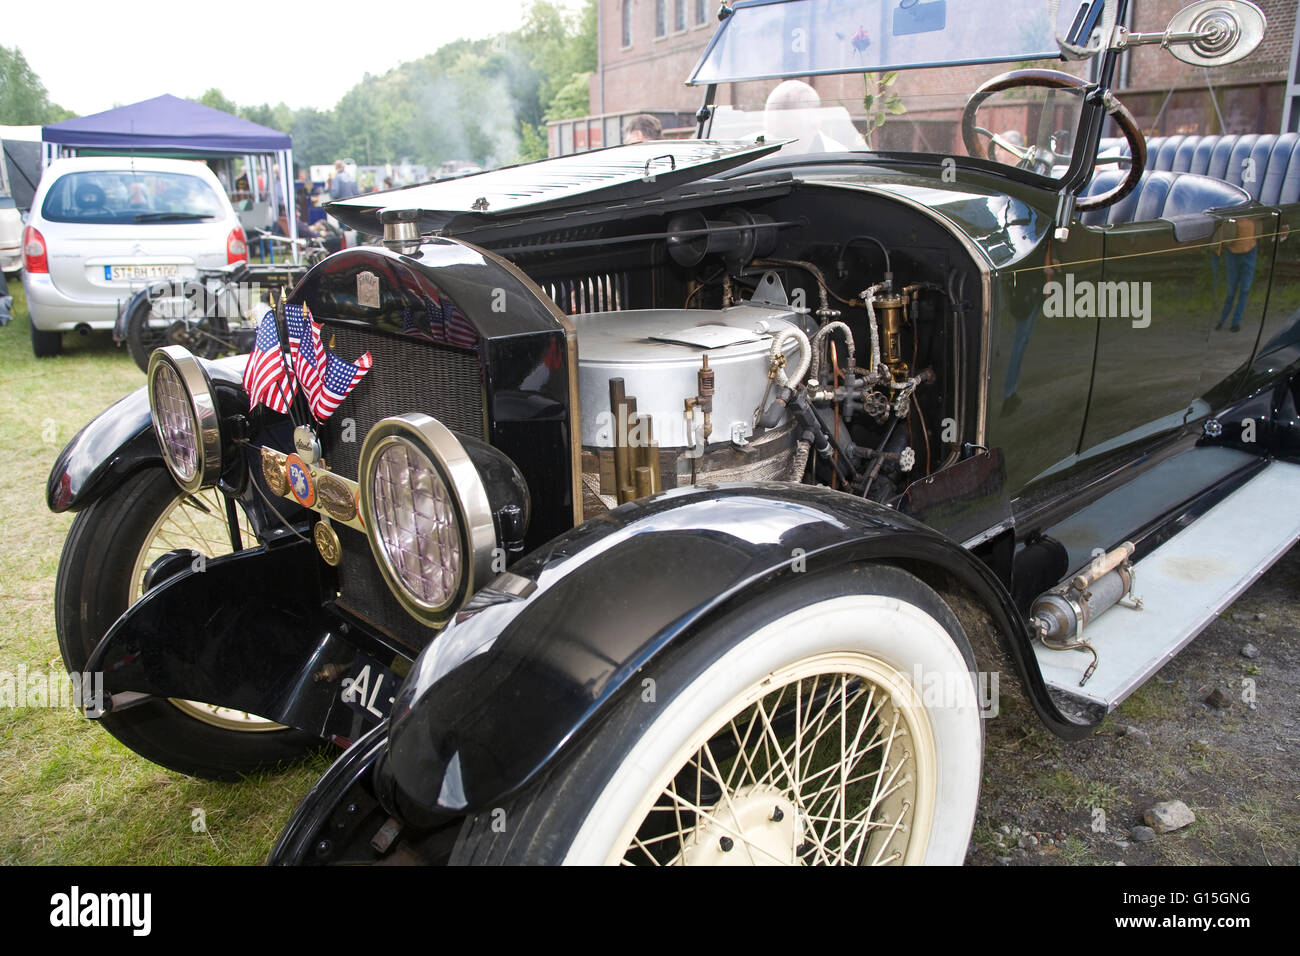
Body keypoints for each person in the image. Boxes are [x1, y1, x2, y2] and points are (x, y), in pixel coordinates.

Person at [763, 80, 847, 153]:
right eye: (771, 134)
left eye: (786, 135)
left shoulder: (838, 161)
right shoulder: (754, 154)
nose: (776, 144)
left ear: (814, 125)